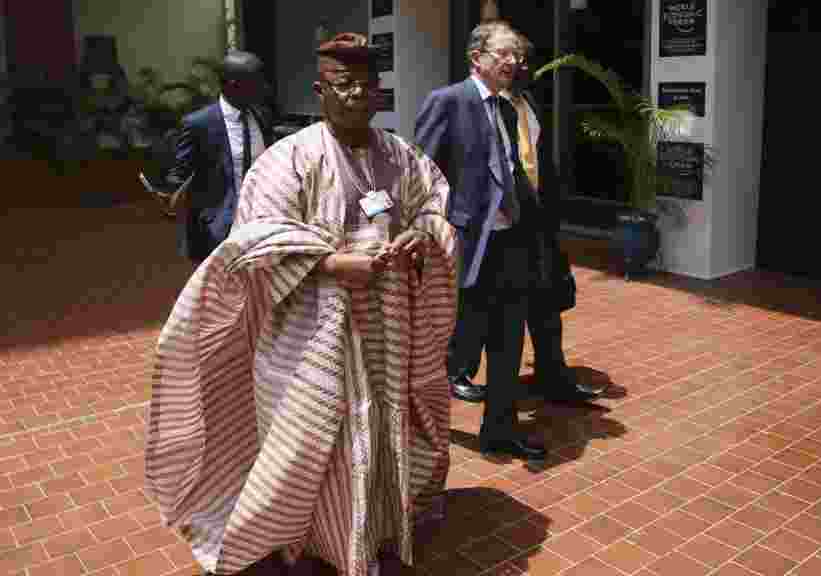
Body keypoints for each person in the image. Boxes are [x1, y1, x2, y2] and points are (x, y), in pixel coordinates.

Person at [145, 33, 458, 576]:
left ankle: (376, 532)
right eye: (345, 85)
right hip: (313, 335)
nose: (359, 94)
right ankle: (310, 544)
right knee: (314, 442)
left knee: (383, 431)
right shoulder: (286, 159)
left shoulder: (399, 153)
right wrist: (331, 264)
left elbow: (433, 203)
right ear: (320, 91)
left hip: (388, 333)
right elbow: (254, 239)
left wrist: (421, 237)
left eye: (368, 85)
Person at [414, 20, 546, 460]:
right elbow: (422, 177)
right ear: (477, 59)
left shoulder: (508, 108)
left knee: (509, 342)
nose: (513, 62)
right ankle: (417, 424)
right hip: (468, 247)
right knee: (458, 342)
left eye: (516, 55)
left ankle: (500, 430)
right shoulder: (448, 102)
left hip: (510, 244)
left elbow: (512, 172)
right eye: (503, 54)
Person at [447, 37, 605, 405]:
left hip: (536, 219)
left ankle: (554, 376)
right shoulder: (478, 107)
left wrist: (549, 209)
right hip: (497, 223)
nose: (523, 69)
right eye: (515, 62)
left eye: (526, 63)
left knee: (547, 299)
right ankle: (458, 371)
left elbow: (538, 161)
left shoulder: (528, 104)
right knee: (479, 306)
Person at [159, 51, 272, 264]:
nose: (263, 87)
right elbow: (180, 173)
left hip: (260, 222)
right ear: (232, 85)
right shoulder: (198, 124)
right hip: (218, 230)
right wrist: (169, 193)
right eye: (255, 82)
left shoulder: (262, 116)